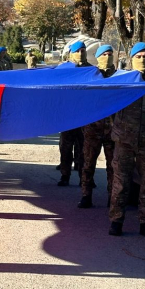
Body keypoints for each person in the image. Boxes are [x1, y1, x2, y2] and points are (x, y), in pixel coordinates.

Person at [109, 42, 145, 238]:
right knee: (121, 183)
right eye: (138, 56)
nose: (142, 59)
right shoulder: (122, 80)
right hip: (124, 141)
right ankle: (116, 220)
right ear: (131, 59)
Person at [78, 44, 116, 209]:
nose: (107, 57)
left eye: (110, 54)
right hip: (92, 128)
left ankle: (111, 197)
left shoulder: (120, 77)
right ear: (98, 57)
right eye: (104, 54)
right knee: (88, 164)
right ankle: (86, 195)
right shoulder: (91, 76)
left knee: (112, 166)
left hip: (113, 131)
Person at [57, 40, 87, 186]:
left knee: (83, 150)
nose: (81, 54)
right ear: (71, 54)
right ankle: (65, 175)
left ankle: (84, 177)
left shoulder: (91, 70)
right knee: (66, 148)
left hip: (84, 117)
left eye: (83, 51)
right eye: (77, 51)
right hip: (67, 116)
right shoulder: (63, 69)